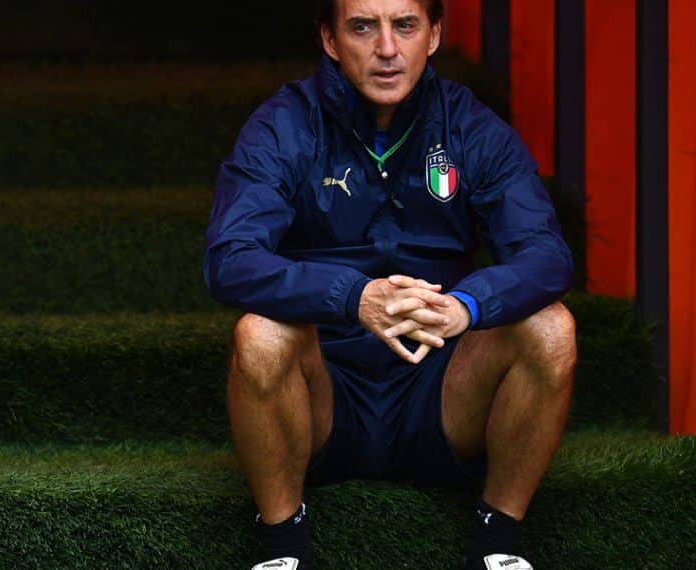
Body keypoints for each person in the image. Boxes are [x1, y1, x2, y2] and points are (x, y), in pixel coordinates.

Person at [204, 0, 576, 568]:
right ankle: (283, 550)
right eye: (362, 27)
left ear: (433, 36)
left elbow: (546, 255)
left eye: (405, 26)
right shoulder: (285, 123)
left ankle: (497, 546)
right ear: (330, 39)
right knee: (259, 335)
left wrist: (465, 306)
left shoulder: (470, 126)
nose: (386, 49)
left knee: (552, 329)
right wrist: (353, 298)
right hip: (326, 394)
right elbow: (230, 258)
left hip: (443, 387)